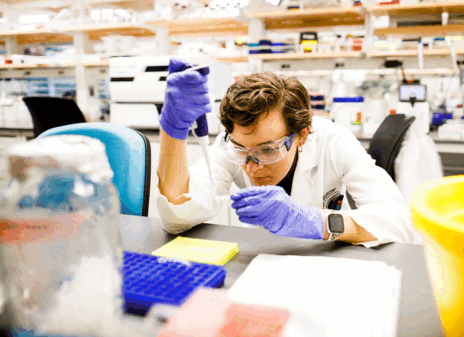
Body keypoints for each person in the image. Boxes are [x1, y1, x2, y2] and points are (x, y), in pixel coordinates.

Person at [156, 58, 417, 248]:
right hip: (263, 259)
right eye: (241, 150)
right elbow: (178, 216)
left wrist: (314, 222)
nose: (252, 166)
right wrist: (172, 131)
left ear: (302, 134)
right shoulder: (233, 144)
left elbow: (398, 222)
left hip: (328, 261)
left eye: (268, 149)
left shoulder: (334, 141)